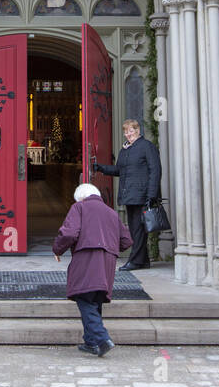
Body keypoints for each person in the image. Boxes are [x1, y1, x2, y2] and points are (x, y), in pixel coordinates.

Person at [53, 183, 132, 357]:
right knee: (94, 299)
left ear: (81, 197)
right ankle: (91, 342)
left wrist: (57, 250)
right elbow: (126, 241)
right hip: (108, 261)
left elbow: (69, 233)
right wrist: (109, 247)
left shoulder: (79, 207)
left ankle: (102, 338)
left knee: (84, 298)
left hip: (87, 258)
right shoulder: (111, 213)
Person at [91, 119, 161, 271]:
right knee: (136, 228)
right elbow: (119, 170)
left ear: (138, 130)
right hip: (130, 195)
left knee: (138, 229)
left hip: (143, 195)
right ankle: (143, 260)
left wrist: (152, 195)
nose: (128, 134)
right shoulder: (125, 150)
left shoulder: (147, 147)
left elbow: (155, 171)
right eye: (126, 131)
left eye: (131, 130)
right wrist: (101, 168)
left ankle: (136, 261)